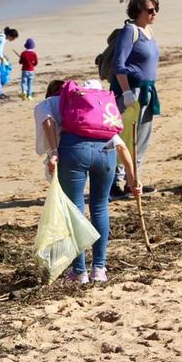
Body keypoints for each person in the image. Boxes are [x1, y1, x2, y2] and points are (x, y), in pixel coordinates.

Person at [41, 80, 140, 285]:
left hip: (74, 150)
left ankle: (80, 272)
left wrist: (53, 152)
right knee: (100, 207)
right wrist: (133, 182)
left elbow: (47, 120)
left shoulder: (60, 105)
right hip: (106, 153)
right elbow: (123, 149)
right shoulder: (103, 113)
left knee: (75, 210)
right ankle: (99, 269)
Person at [110, 0, 162, 198]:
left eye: (157, 9)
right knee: (123, 138)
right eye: (150, 9)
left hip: (148, 91)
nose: (154, 13)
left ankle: (134, 182)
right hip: (130, 92)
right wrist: (127, 92)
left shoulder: (149, 31)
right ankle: (114, 184)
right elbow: (118, 64)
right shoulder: (129, 31)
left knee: (141, 139)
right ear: (138, 10)